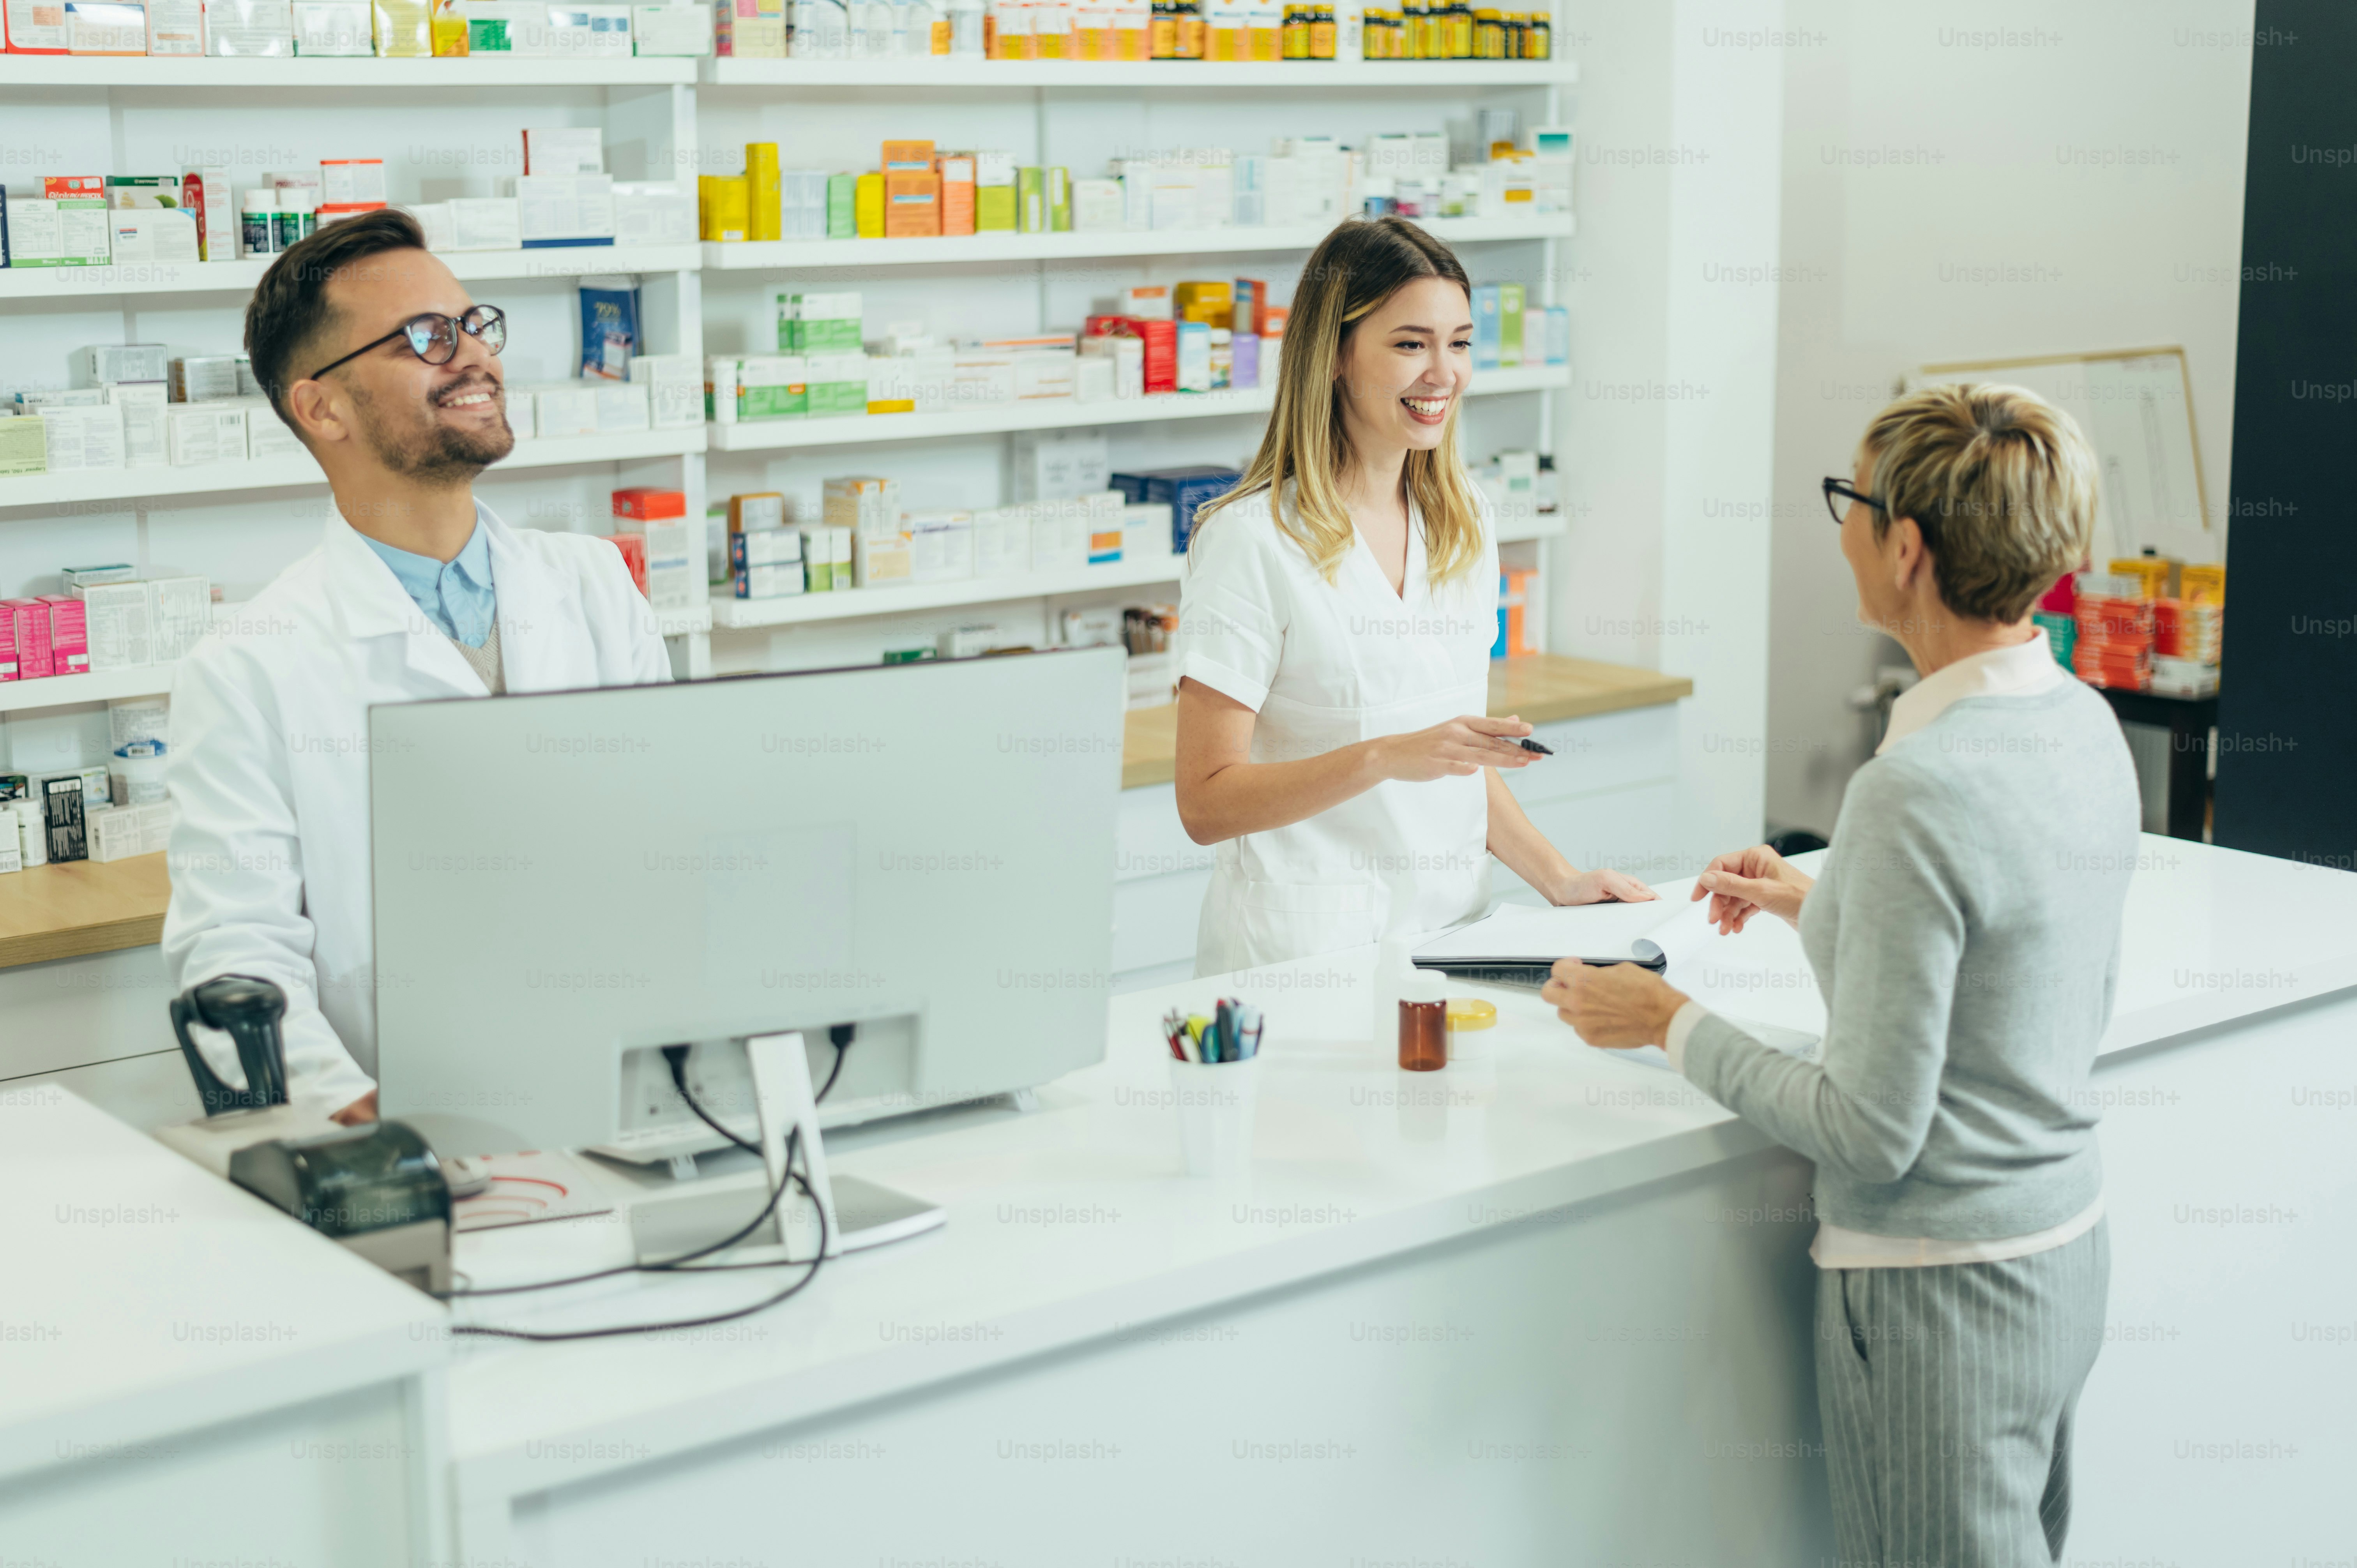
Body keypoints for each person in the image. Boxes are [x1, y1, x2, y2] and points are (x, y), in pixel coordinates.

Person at [1545, 384, 2141, 1566]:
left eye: (1851, 506)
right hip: (2060, 1258)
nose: (1841, 531)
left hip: (1942, 1301)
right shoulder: (2078, 720)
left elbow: (1871, 1132)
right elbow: (2001, 957)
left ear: (1906, 550)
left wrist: (1666, 1020)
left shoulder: (1915, 788)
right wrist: (1825, 905)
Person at [164, 209, 670, 1124]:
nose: (475, 356)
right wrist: (365, 1116)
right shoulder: (247, 667)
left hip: (634, 1093)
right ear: (321, 407)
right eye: (427, 338)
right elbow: (235, 958)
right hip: (413, 1141)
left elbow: (675, 846)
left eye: (476, 326)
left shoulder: (593, 585)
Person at [1171, 217, 1653, 975]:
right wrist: (1386, 756)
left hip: (1453, 941)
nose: (1443, 374)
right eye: (1409, 344)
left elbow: (1456, 757)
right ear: (1333, 353)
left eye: (1458, 342)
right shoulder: (1250, 540)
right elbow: (1206, 802)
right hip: (1299, 961)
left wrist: (1559, 880)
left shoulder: (1463, 522)